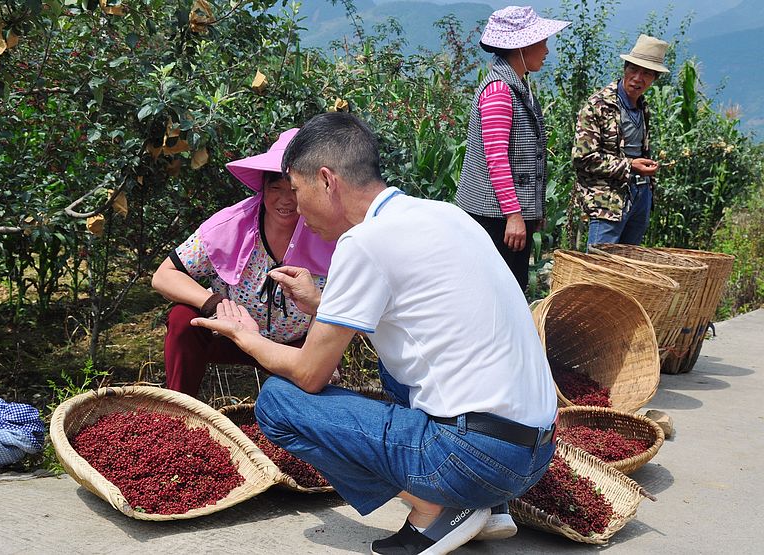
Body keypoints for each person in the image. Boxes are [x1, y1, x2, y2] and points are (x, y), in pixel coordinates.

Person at [192, 113, 558, 555]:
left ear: (327, 181)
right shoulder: (447, 216)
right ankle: (491, 505)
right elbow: (416, 323)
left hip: (472, 458)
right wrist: (322, 304)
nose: (300, 213)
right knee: (394, 359)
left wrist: (242, 334)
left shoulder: (365, 242)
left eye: (298, 191)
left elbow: (310, 375)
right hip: (534, 454)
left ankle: (436, 508)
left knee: (277, 402)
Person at [151, 129, 335, 397]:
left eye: (294, 190)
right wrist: (212, 303)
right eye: (276, 188)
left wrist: (326, 352)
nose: (285, 200)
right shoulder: (231, 224)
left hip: (295, 347)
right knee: (182, 318)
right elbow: (163, 275)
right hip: (232, 335)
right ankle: (179, 408)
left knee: (313, 391)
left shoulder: (329, 231)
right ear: (262, 188)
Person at [456, 6, 570, 292]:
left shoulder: (517, 85)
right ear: (523, 46)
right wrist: (515, 215)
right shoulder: (499, 92)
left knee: (508, 288)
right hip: (496, 218)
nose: (546, 50)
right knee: (501, 291)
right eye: (542, 42)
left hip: (509, 214)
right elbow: (496, 160)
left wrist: (533, 209)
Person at [573, 34, 669, 246]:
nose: (638, 78)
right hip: (608, 201)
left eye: (646, 73)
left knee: (629, 266)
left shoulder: (642, 107)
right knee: (600, 267)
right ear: (625, 68)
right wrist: (631, 166)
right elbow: (583, 157)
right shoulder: (598, 105)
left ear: (654, 79)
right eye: (633, 69)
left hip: (640, 195)